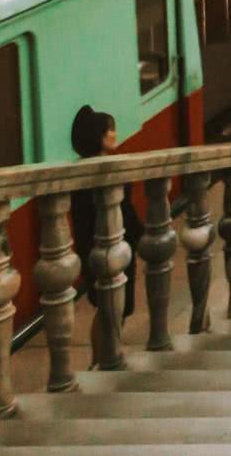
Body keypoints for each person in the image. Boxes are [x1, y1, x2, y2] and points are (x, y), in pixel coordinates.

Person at [68, 105, 138, 330]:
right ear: (98, 136)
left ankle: (105, 358)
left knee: (109, 311)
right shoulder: (105, 172)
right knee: (113, 312)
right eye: (109, 130)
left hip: (98, 249)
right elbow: (125, 211)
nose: (114, 134)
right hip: (113, 248)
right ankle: (107, 358)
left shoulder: (82, 172)